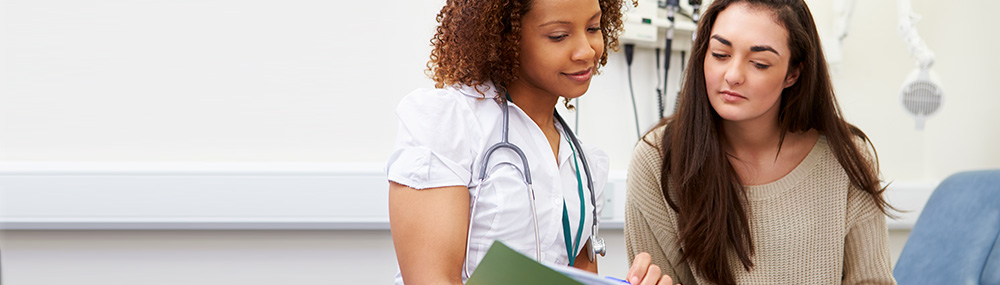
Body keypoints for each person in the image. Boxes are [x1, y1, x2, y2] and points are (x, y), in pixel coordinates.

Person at [623, 0, 897, 284]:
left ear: (793, 73)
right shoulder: (656, 160)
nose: (732, 76)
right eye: (719, 54)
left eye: (759, 63)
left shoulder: (847, 160)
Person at [385, 0, 634, 284]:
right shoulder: (447, 124)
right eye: (559, 36)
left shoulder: (584, 165)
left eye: (593, 27)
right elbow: (432, 279)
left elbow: (579, 280)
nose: (586, 50)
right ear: (507, 37)